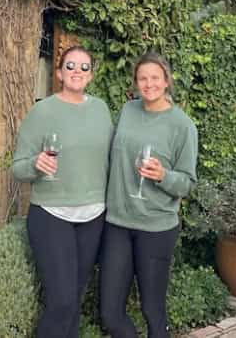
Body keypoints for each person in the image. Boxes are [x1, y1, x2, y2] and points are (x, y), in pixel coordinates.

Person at [12, 45, 113, 338]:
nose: (77, 72)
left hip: (93, 215)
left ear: (91, 75)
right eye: (70, 66)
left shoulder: (101, 110)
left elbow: (110, 159)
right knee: (62, 302)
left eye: (84, 67)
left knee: (75, 300)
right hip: (51, 215)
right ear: (59, 73)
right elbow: (18, 168)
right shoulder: (42, 111)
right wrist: (36, 163)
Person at [100, 52, 198, 338]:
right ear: (135, 83)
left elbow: (187, 183)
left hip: (156, 228)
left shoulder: (182, 126)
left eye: (155, 77)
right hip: (117, 222)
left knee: (153, 312)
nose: (148, 84)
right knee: (110, 313)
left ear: (166, 81)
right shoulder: (128, 111)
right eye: (142, 78)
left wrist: (163, 176)